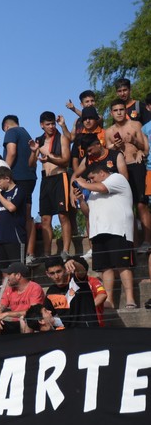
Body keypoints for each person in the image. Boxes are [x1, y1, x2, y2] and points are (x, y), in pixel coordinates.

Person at [75, 164, 137, 308]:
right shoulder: (93, 191)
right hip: (98, 232)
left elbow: (103, 188)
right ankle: (109, 300)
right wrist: (81, 200)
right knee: (105, 268)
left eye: (92, 177)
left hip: (118, 230)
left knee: (123, 265)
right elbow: (87, 212)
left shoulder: (117, 178)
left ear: (102, 173)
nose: (90, 181)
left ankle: (130, 299)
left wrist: (82, 183)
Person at [106, 98, 150, 251]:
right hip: (120, 171)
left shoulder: (136, 125)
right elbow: (105, 154)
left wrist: (135, 144)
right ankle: (134, 244)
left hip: (136, 167)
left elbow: (145, 148)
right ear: (111, 113)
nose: (119, 113)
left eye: (121, 109)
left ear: (126, 110)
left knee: (141, 205)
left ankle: (147, 241)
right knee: (127, 208)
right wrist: (114, 147)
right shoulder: (109, 131)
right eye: (116, 110)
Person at [29, 111, 73, 258]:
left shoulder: (62, 138)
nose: (51, 126)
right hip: (45, 180)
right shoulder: (39, 141)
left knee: (62, 216)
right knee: (45, 218)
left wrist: (49, 159)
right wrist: (34, 151)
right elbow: (31, 164)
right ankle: (47, 254)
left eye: (53, 123)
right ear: (42, 125)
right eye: (48, 124)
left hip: (60, 177)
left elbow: (66, 161)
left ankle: (65, 250)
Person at [1, 115, 38, 267]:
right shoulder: (26, 133)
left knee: (18, 215)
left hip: (17, 177)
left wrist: (3, 172)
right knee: (28, 215)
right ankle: (30, 254)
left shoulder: (11, 132)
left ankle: (21, 254)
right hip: (29, 177)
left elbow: (11, 152)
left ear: (6, 126)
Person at [0, 263, 44, 335]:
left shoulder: (35, 288)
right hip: (15, 323)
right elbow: (0, 307)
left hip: (31, 324)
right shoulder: (9, 289)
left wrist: (6, 314)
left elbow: (34, 313)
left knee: (24, 321)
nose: (6, 277)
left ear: (18, 275)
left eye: (9, 274)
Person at [43, 256, 100, 327]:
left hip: (89, 329)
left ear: (65, 269)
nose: (56, 276)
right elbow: (46, 315)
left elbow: (82, 271)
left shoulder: (76, 279)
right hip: (69, 335)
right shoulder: (51, 293)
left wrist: (73, 262)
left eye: (58, 271)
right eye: (52, 273)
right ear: (47, 274)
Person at [0, 166, 29, 270]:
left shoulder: (19, 190)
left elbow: (11, 207)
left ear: (7, 179)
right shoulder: (2, 194)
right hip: (2, 238)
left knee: (18, 270)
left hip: (15, 237)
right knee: (3, 270)